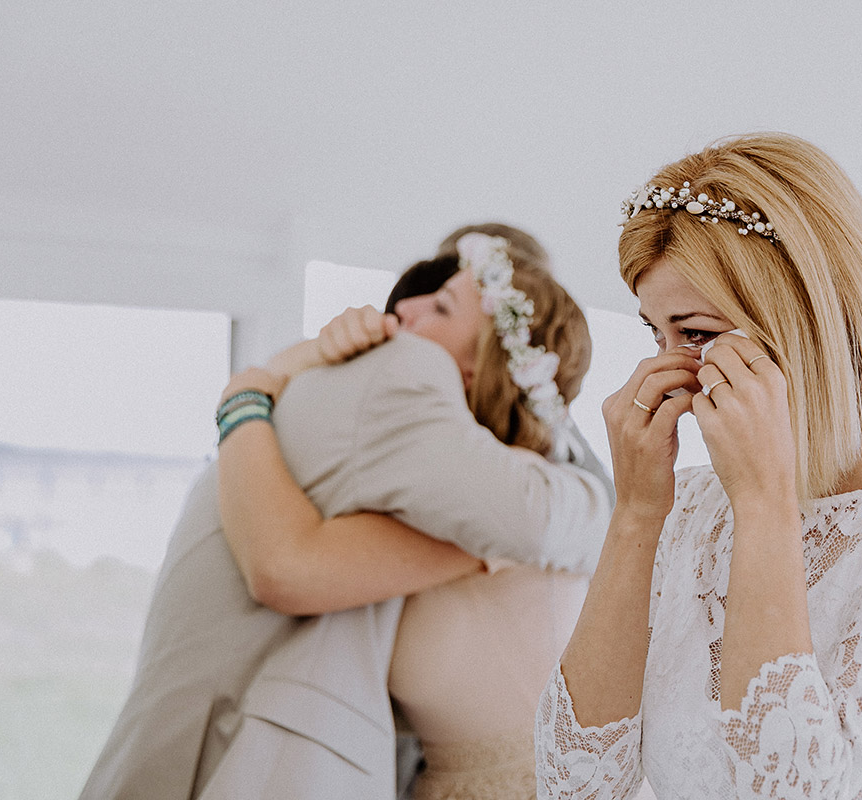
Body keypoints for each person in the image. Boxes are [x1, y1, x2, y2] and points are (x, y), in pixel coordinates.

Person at [535, 132, 862, 799]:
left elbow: (793, 791)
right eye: (657, 335)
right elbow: (574, 784)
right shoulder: (686, 512)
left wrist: (764, 500)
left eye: (698, 333)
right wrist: (637, 514)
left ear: (806, 323)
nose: (671, 371)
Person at [80, 231, 611, 800]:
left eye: (441, 306)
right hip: (220, 735)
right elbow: (286, 567)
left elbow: (549, 516)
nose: (402, 310)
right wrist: (248, 391)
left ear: (479, 369)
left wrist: (256, 385)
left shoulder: (442, 449)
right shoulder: (406, 378)